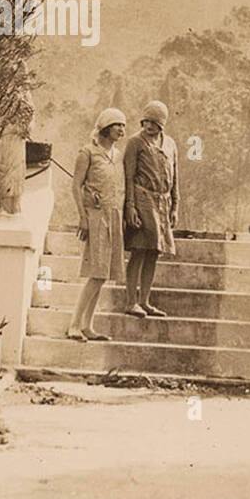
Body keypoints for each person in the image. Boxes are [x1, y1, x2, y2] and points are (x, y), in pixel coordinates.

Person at [68, 107, 127, 341]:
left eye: (123, 125)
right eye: (117, 125)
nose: (122, 129)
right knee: (97, 273)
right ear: (105, 127)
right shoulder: (88, 152)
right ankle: (74, 325)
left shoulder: (117, 155)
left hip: (113, 216)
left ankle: (87, 326)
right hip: (94, 216)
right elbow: (76, 185)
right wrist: (83, 217)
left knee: (102, 274)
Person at [123, 100, 178, 318]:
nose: (149, 127)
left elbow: (176, 178)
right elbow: (128, 176)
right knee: (139, 249)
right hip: (141, 199)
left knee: (154, 251)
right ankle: (130, 302)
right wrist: (131, 207)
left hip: (163, 203)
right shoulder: (135, 142)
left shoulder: (170, 144)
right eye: (146, 122)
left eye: (154, 124)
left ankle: (145, 301)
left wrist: (175, 206)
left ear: (162, 125)